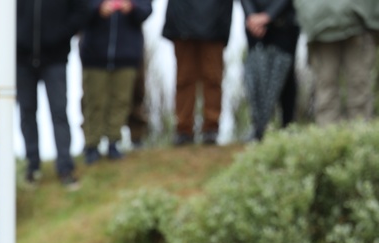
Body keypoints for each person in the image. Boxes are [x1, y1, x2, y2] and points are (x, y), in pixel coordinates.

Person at [16, 0, 90, 187]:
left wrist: (61, 33)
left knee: (59, 112)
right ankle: (32, 168)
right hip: (22, 59)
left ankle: (65, 168)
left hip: (55, 58)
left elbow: (81, 9)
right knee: (27, 113)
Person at [79, 0, 153, 163]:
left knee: (120, 101)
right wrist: (98, 8)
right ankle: (92, 145)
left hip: (127, 54)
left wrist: (132, 7)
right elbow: (78, 8)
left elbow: (146, 10)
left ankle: (114, 142)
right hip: (94, 54)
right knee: (94, 101)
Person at [293, 0, 379, 126]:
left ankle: (360, 136)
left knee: (358, 84)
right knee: (327, 87)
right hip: (322, 26)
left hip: (357, 24)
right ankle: (331, 138)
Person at [162, 0, 234, 145]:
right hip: (182, 26)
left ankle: (211, 129)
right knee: (184, 79)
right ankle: (183, 130)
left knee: (212, 78)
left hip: (214, 26)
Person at [240, 0, 300, 141]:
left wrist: (268, 15)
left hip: (285, 24)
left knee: (286, 78)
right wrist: (251, 16)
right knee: (256, 77)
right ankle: (259, 129)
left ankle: (288, 127)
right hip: (254, 26)